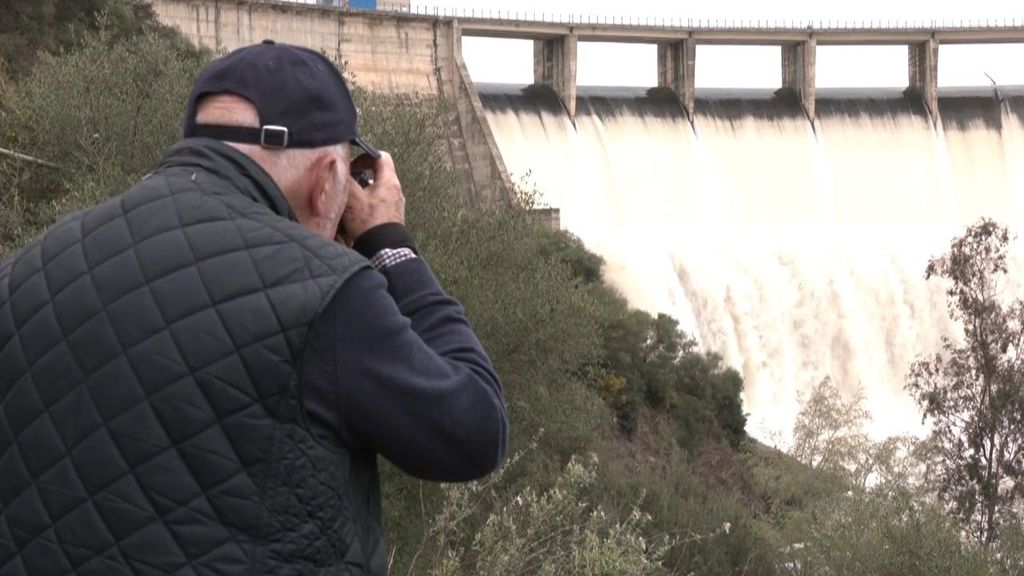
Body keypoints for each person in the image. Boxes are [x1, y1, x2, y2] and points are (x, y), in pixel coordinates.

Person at [0, 40, 508, 575]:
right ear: (329, 181)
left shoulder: (24, 270)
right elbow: (474, 429)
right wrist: (388, 243)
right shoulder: (324, 293)